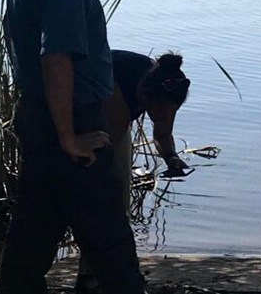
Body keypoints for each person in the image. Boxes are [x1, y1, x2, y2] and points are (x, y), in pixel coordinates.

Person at [0, 0, 145, 293]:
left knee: (32, 236)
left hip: (37, 114)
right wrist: (70, 137)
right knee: (110, 244)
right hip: (71, 122)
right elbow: (57, 59)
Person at [75, 49, 192, 293]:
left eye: (172, 112)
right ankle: (92, 277)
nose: (165, 117)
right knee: (103, 199)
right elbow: (105, 155)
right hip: (81, 116)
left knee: (121, 203)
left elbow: (163, 133)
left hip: (114, 121)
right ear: (146, 97)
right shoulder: (117, 99)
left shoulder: (165, 87)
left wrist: (171, 157)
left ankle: (99, 271)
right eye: (161, 112)